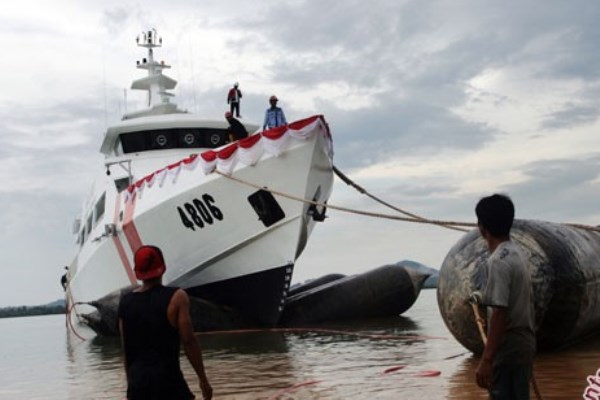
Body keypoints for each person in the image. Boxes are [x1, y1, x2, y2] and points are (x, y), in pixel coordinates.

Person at [118, 245, 213, 400]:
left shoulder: (125, 302)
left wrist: (131, 386)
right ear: (163, 267)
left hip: (138, 385)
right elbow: (189, 341)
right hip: (169, 383)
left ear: (138, 272)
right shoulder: (177, 297)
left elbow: (126, 350)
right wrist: (203, 380)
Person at [473, 194, 536, 400]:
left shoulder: (498, 261)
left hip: (508, 348)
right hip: (524, 344)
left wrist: (487, 360)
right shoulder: (518, 253)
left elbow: (500, 313)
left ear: (482, 228)